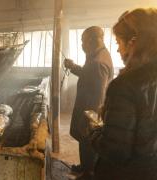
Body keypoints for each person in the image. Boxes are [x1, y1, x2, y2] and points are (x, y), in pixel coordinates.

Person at [90, 8, 157, 180]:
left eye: (119, 42)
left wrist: (95, 131)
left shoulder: (124, 86)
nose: (118, 50)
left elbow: (115, 151)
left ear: (134, 43)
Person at [64, 26, 114, 178]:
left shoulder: (98, 62)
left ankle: (89, 172)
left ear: (93, 40)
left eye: (83, 41)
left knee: (88, 142)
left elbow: (98, 95)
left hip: (90, 110)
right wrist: (72, 67)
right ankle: (85, 166)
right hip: (88, 107)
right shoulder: (97, 55)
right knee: (83, 139)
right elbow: (87, 75)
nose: (82, 45)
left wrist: (90, 119)